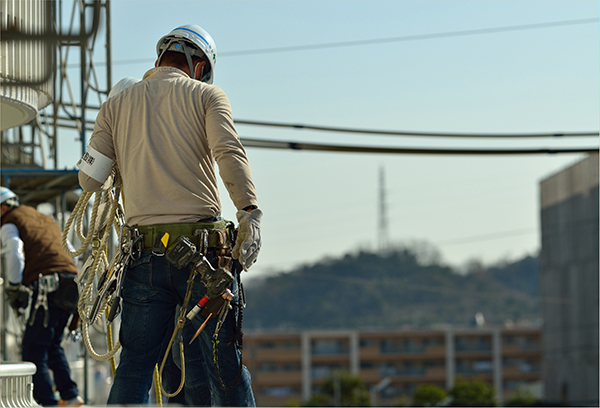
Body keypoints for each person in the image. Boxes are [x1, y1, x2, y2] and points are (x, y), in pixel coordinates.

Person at [77, 24, 261, 406]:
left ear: (158, 60)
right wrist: (249, 212)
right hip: (203, 257)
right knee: (221, 365)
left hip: (144, 257)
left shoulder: (116, 105)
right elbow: (229, 154)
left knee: (135, 367)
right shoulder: (207, 95)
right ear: (199, 67)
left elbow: (88, 179)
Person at [1, 187, 84, 407]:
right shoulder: (45, 219)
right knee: (52, 344)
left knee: (33, 348)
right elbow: (68, 250)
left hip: (47, 286)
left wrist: (14, 286)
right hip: (69, 282)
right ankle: (71, 396)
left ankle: (47, 403)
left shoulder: (10, 221)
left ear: (3, 207)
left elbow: (14, 251)